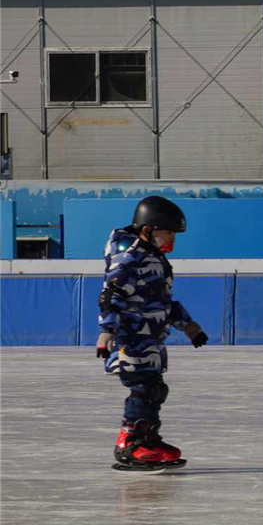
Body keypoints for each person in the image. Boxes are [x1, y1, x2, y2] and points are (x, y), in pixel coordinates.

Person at [96, 195, 208, 469]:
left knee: (155, 390)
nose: (171, 238)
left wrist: (188, 326)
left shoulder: (153, 257)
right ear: (147, 229)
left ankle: (148, 438)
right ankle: (131, 443)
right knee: (143, 389)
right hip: (132, 338)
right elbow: (112, 295)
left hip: (152, 338)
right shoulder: (129, 257)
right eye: (167, 231)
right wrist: (107, 330)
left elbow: (163, 301)